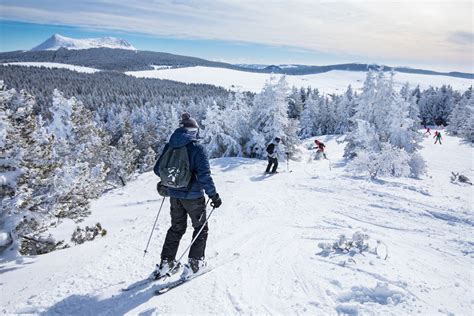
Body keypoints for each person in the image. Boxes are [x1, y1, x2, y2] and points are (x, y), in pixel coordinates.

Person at [153, 112, 222, 278]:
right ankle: (195, 264)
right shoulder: (197, 148)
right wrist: (214, 196)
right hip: (193, 198)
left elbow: (157, 170)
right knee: (200, 228)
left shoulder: (169, 146)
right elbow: (204, 176)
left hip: (174, 196)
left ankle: (166, 263)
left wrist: (171, 181)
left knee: (177, 228)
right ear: (193, 131)